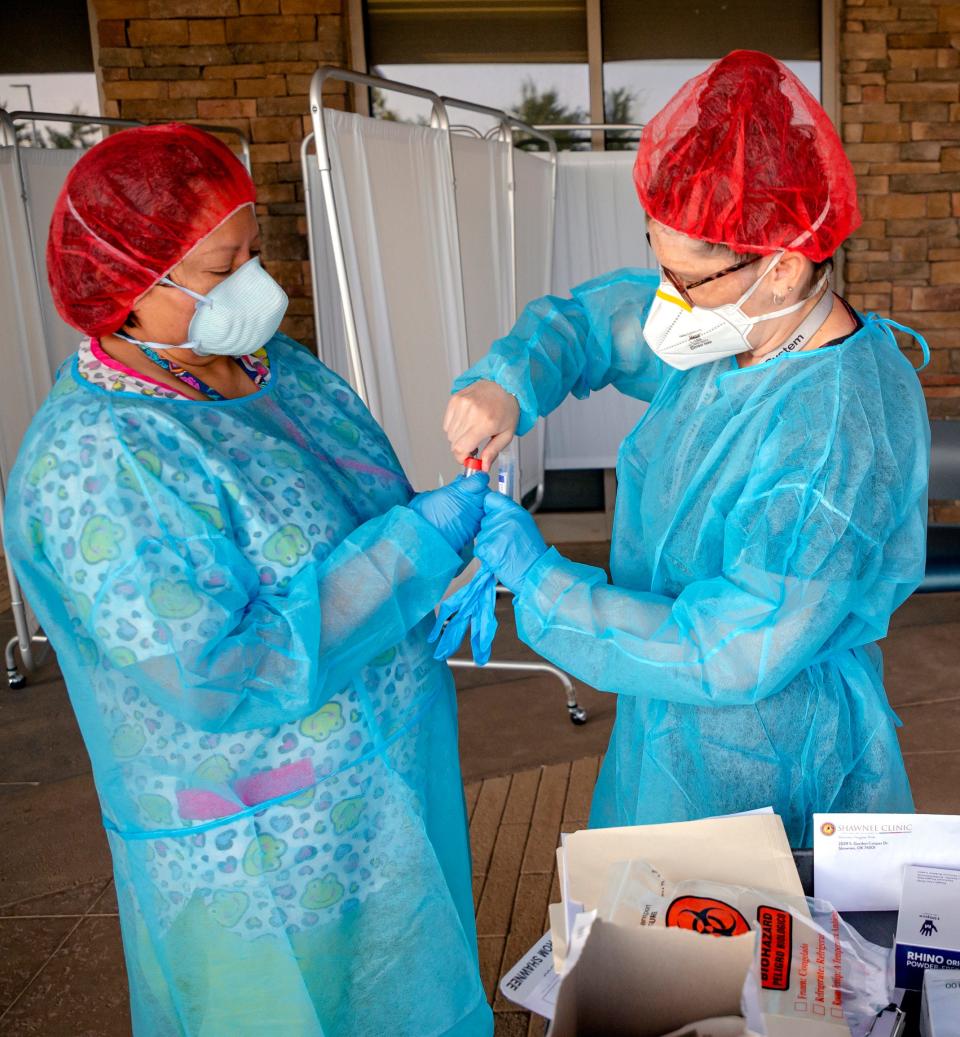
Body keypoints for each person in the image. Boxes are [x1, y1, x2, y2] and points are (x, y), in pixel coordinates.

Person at [4, 123, 493, 1036]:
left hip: (385, 789)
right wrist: (418, 546)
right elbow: (220, 670)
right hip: (255, 845)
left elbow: (351, 522)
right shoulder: (95, 461)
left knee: (410, 991)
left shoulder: (283, 372)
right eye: (222, 270)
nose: (255, 287)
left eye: (254, 253)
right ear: (127, 287)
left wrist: (442, 529)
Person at [443, 51, 930, 848]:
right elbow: (595, 323)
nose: (667, 301)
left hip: (769, 747)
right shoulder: (738, 328)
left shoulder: (836, 434)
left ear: (782, 265)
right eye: (658, 264)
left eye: (685, 279)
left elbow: (729, 651)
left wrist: (543, 585)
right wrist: (509, 381)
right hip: (663, 713)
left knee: (743, 953)